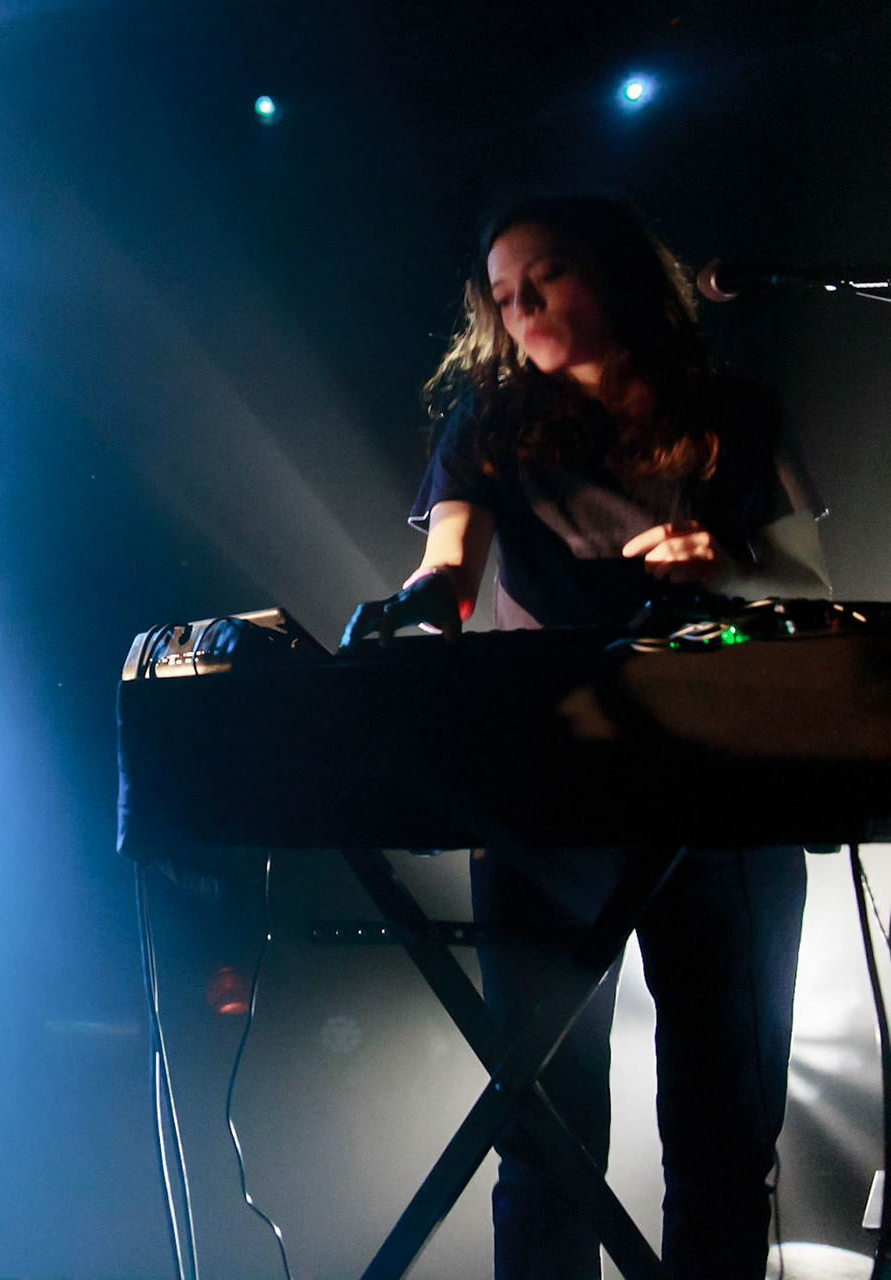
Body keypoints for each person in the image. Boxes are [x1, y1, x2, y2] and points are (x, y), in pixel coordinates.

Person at [344, 195, 828, 1279]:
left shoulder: (737, 413)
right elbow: (447, 573)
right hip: (548, 795)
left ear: (614, 275)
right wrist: (407, 617)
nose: (522, 311)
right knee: (546, 1138)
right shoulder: (485, 427)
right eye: (503, 297)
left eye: (545, 278)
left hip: (731, 790)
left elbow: (815, 588)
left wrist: (725, 564)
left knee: (722, 1142)